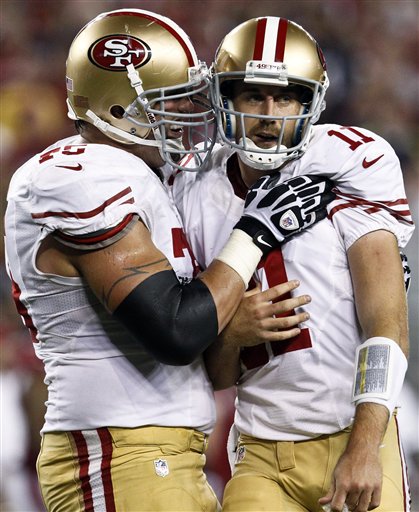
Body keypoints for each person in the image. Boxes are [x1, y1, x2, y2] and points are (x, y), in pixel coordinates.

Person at [3, 9, 334, 512]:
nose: (182, 114)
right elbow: (175, 331)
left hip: (154, 450)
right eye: (166, 101)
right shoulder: (81, 174)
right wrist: (254, 233)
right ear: (118, 106)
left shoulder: (135, 175)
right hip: (119, 449)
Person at [170, 16, 414, 512]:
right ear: (225, 98)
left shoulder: (352, 160)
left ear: (312, 104)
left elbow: (387, 325)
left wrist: (367, 447)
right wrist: (231, 332)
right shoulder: (191, 186)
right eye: (252, 96)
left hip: (357, 436)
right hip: (260, 451)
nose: (269, 114)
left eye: (286, 98)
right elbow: (210, 373)